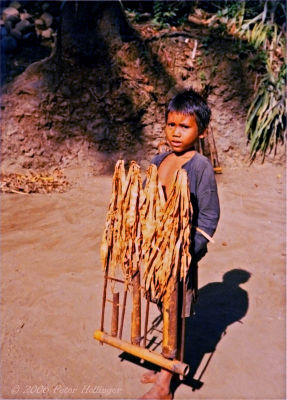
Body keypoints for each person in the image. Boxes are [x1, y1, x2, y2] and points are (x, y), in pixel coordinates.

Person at [140, 88, 220, 399]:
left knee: (175, 314)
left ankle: (165, 383)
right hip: (156, 253)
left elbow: (210, 214)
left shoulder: (199, 166)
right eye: (171, 124)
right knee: (162, 305)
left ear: (202, 131)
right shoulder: (160, 159)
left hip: (180, 255)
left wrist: (189, 250)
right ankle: (164, 363)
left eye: (184, 126)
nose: (175, 132)